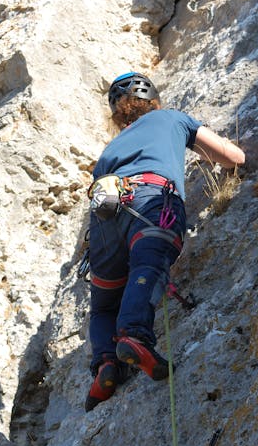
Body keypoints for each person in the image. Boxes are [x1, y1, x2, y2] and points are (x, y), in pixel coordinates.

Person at [85, 72, 245, 412]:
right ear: (154, 100)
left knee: (103, 304)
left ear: (117, 114)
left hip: (104, 217)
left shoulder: (109, 149)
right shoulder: (172, 118)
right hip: (151, 196)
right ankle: (135, 336)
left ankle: (105, 364)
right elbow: (232, 157)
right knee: (149, 262)